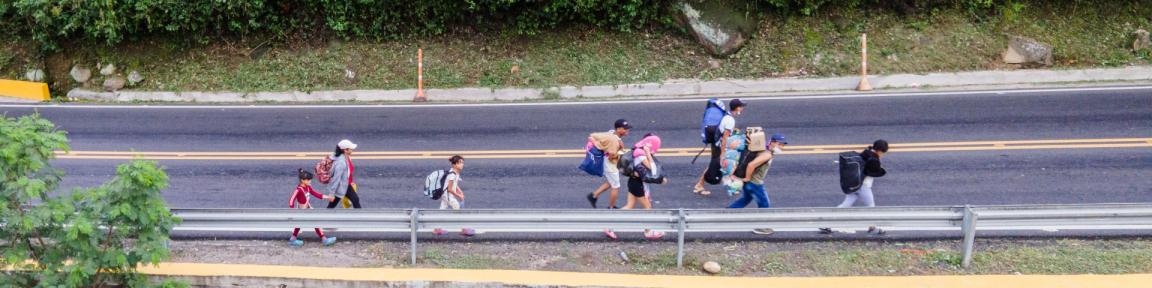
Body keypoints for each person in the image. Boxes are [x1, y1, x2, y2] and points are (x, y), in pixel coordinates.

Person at [605, 134, 668, 240]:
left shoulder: (637, 150)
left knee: (629, 206)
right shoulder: (641, 154)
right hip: (638, 185)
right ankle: (648, 232)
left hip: (633, 182)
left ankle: (609, 226)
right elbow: (653, 169)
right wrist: (648, 153)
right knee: (648, 208)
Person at [821, 139, 890, 235]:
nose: (883, 154)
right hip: (863, 185)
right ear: (880, 150)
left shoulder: (866, 152)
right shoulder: (873, 159)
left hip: (855, 183)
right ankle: (872, 227)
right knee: (870, 206)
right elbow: (872, 172)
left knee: (845, 205)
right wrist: (882, 170)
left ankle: (827, 224)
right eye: (883, 152)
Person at [727, 133, 787, 235]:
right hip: (755, 183)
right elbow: (751, 165)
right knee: (764, 204)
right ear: (772, 142)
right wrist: (748, 178)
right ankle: (762, 227)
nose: (782, 147)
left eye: (783, 145)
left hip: (749, 183)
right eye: (780, 144)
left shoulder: (763, 149)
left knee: (745, 200)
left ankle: (725, 215)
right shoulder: (767, 154)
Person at [693, 99, 745, 196]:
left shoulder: (727, 116)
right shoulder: (730, 120)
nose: (742, 108)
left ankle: (730, 185)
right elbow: (725, 137)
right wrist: (723, 153)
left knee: (725, 165)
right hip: (720, 146)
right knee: (715, 165)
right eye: (742, 106)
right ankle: (699, 185)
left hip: (717, 144)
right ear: (737, 108)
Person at [586, 119, 632, 209]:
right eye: (625, 129)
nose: (627, 130)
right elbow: (611, 155)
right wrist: (619, 154)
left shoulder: (611, 132)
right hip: (609, 163)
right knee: (616, 186)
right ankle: (611, 207)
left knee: (611, 182)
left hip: (606, 159)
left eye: (627, 128)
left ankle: (593, 196)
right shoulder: (614, 141)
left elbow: (595, 137)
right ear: (618, 129)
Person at [288, 169, 337, 247]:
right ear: (302, 180)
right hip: (301, 210)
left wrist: (328, 197)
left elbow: (316, 194)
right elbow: (291, 201)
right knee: (307, 223)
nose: (310, 181)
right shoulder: (298, 190)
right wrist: (293, 211)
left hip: (307, 209)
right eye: (308, 180)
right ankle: (324, 239)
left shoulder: (308, 188)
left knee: (307, 223)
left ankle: (293, 239)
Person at [433, 155, 475, 237]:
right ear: (455, 164)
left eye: (462, 163)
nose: (462, 164)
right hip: (447, 195)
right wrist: (459, 195)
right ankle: (464, 229)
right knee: (458, 208)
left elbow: (455, 185)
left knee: (442, 209)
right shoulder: (452, 174)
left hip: (444, 194)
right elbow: (450, 189)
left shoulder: (455, 172)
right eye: (460, 163)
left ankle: (437, 228)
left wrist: (460, 191)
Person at [325, 139, 362, 209]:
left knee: (355, 200)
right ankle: (323, 218)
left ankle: (359, 217)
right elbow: (336, 178)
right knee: (332, 205)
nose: (352, 150)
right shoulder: (341, 163)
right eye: (351, 149)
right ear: (345, 150)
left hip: (346, 184)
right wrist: (332, 193)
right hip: (340, 186)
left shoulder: (346, 157)